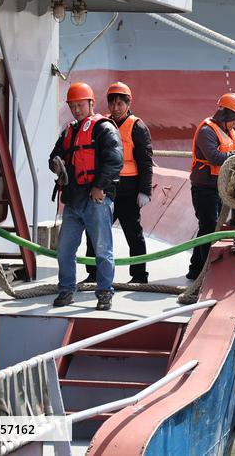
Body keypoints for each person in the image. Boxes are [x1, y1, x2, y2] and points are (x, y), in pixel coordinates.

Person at [48, 82, 123, 310]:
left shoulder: (104, 128)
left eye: (80, 105)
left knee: (102, 249)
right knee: (65, 250)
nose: (76, 110)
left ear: (91, 103)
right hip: (73, 200)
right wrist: (56, 165)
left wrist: (99, 186)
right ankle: (66, 290)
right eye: (72, 106)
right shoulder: (69, 131)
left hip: (96, 200)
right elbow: (54, 156)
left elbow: (115, 161)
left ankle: (105, 292)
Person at [187, 93, 235, 280]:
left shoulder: (230, 130)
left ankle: (195, 269)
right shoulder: (207, 131)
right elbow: (214, 157)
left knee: (208, 227)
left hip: (220, 187)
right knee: (208, 227)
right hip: (204, 188)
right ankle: (204, 273)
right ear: (226, 115)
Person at [83, 82, 153, 285]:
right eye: (112, 104)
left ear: (128, 104)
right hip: (106, 187)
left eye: (120, 104)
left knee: (133, 234)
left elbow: (145, 161)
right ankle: (93, 273)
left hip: (129, 190)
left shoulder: (138, 127)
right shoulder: (103, 124)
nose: (115, 108)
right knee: (94, 231)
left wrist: (145, 191)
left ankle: (139, 275)